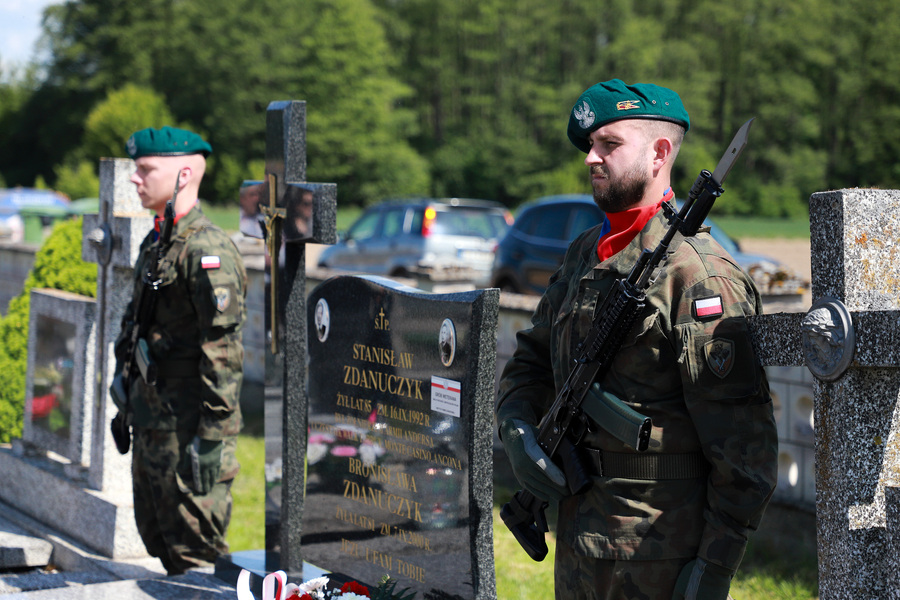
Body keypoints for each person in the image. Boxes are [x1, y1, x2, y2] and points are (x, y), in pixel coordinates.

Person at [496, 80, 777, 599]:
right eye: (590, 146)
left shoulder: (697, 275)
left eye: (609, 144)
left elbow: (745, 450)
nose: (591, 158)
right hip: (581, 543)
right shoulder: (586, 252)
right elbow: (532, 359)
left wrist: (714, 569)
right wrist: (516, 431)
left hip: (656, 555)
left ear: (659, 153)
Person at [114, 126, 247, 575]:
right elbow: (136, 320)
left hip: (189, 428)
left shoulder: (206, 250)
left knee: (194, 555)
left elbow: (223, 349)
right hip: (152, 421)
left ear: (183, 174)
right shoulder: (158, 242)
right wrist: (123, 375)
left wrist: (213, 437)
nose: (135, 178)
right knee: (159, 543)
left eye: (145, 169)